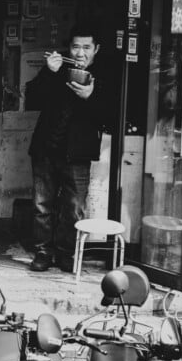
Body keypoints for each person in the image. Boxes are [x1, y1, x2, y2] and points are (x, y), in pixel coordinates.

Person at [25, 21, 113, 272]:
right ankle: (43, 253)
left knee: (74, 209)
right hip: (45, 150)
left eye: (86, 47)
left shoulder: (104, 77)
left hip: (78, 153)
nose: (80, 53)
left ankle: (66, 254)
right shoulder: (57, 68)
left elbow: (109, 116)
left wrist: (90, 97)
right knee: (42, 206)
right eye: (75, 47)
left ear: (96, 49)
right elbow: (32, 97)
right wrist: (48, 71)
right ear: (69, 48)